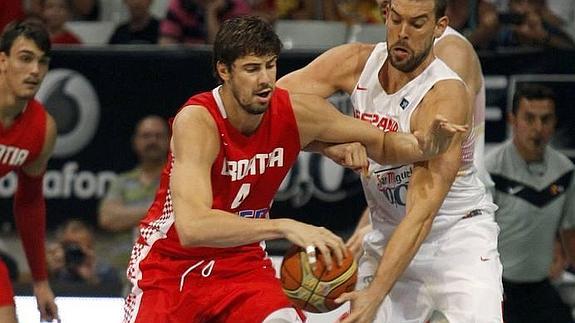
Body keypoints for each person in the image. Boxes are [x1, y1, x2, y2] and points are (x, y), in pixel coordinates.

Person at [123, 15, 466, 323]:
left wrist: (428, 145)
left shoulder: (295, 112)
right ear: (224, 71)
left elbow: (386, 143)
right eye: (252, 68)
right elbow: (194, 227)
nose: (265, 80)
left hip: (240, 263)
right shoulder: (198, 121)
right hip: (171, 266)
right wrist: (285, 226)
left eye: (271, 66)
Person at [278, 0, 502, 321]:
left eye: (417, 24)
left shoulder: (446, 96)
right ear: (385, 14)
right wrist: (332, 144)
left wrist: (374, 295)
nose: (402, 33)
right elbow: (276, 107)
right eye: (396, 20)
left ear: (440, 27)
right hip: (387, 234)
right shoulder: (354, 61)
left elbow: (421, 216)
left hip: (455, 238)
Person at [310, 0, 495, 259]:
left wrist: (372, 226)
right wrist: (329, 147)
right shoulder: (384, 56)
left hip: (452, 213)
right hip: (404, 202)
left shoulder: (450, 51)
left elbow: (427, 161)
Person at [485, 83, 575, 323]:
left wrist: (565, 257)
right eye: (530, 118)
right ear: (512, 120)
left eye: (546, 119)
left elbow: (569, 232)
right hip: (498, 290)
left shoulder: (565, 172)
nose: (538, 128)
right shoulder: (489, 170)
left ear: (555, 122)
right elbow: (476, 237)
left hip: (540, 287)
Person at [0, 20, 59, 322]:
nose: (35, 70)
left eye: (43, 61)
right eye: (25, 58)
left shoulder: (42, 129)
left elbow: (29, 202)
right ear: (2, 61)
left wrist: (40, 280)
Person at [98, 115, 169, 274]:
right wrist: (161, 210)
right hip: (122, 276)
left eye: (159, 136)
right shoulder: (121, 181)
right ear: (135, 142)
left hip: (165, 273)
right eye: (146, 136)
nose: (153, 141)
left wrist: (128, 214)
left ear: (169, 141)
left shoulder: (179, 179)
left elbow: (184, 216)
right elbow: (108, 218)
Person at [47, 219, 121, 288]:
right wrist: (48, 271)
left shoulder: (106, 272)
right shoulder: (58, 269)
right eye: (70, 246)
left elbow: (111, 296)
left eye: (79, 246)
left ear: (91, 248)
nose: (76, 251)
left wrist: (92, 278)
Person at [158, 0, 252, 45]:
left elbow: (226, 53)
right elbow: (166, 48)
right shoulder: (179, 4)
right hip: (185, 70)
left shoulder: (237, 6)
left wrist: (211, 13)